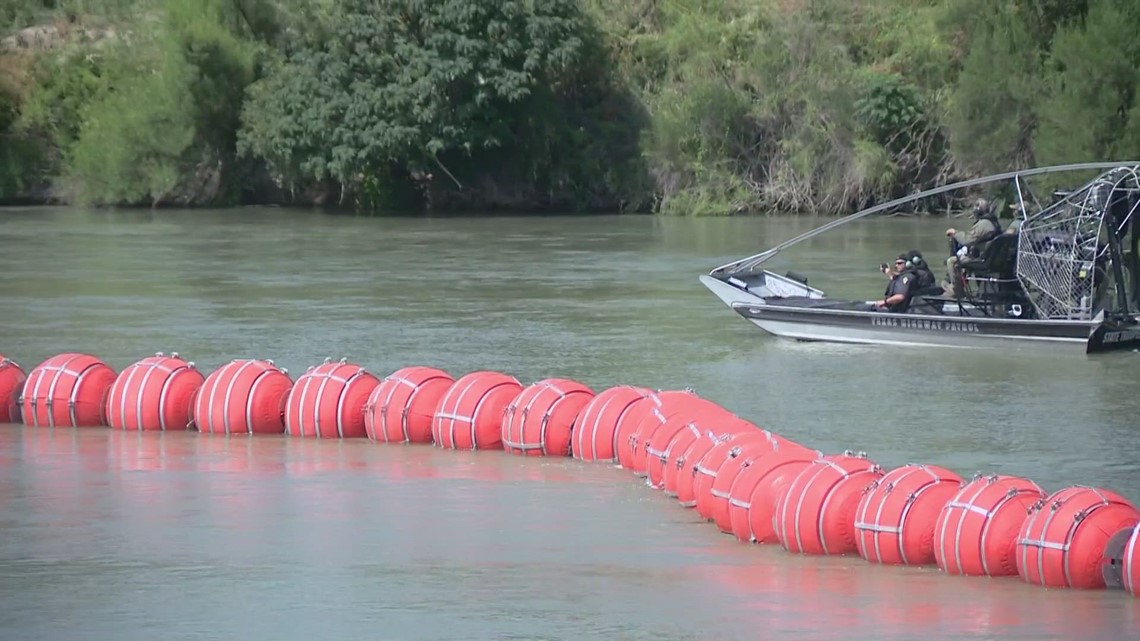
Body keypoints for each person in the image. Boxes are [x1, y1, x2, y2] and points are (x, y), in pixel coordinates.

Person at [943, 198, 1003, 296]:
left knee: (951, 262)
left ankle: (957, 291)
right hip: (988, 258)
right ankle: (961, 287)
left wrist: (955, 233)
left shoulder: (984, 224)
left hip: (982, 260)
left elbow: (967, 240)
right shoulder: (993, 222)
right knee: (965, 255)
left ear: (978, 211)